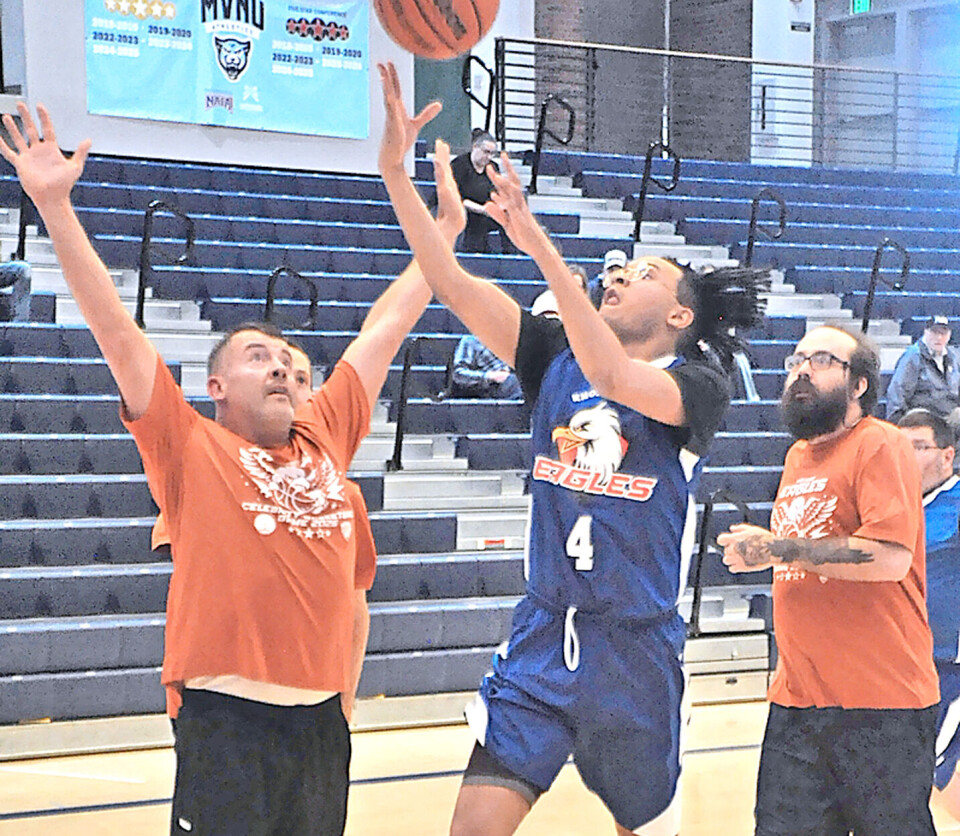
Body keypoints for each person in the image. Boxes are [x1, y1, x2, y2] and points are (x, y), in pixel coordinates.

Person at [0, 98, 464, 836]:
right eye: (259, 359)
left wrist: (440, 236)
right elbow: (115, 330)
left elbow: (384, 329)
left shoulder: (324, 439)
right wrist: (55, 207)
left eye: (291, 364)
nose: (281, 368)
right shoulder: (188, 443)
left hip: (320, 727)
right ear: (216, 387)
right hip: (226, 721)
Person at [376, 61, 767, 836]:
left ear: (682, 316)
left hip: (637, 655)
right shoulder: (550, 355)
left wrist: (539, 245)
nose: (619, 273)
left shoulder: (699, 385)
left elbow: (614, 374)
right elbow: (447, 281)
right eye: (616, 268)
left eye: (642, 272)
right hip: (544, 634)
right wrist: (394, 174)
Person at [718, 325, 940, 835]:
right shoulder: (797, 456)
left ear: (858, 383)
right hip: (797, 703)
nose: (800, 370)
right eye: (796, 358)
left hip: (881, 706)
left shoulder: (879, 443)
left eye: (820, 360)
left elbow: (887, 558)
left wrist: (777, 547)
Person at [897, 408, 960, 823]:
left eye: (919, 447)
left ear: (947, 455)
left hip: (949, 667)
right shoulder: (891, 506)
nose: (907, 456)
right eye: (900, 447)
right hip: (904, 668)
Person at [447, 128, 514, 254]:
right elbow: (455, 199)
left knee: (509, 216)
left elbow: (495, 193)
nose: (488, 157)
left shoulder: (492, 167)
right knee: (474, 220)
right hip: (463, 209)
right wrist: (481, 209)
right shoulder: (458, 165)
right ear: (475, 147)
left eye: (492, 154)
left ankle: (511, 255)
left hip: (484, 210)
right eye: (486, 152)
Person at [886, 315, 960, 424]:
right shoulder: (912, 357)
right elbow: (898, 392)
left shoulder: (953, 357)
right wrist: (897, 422)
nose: (939, 337)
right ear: (926, 332)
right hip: (923, 416)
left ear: (949, 335)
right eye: (935, 332)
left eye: (943, 333)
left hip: (948, 414)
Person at [451, 332, 522, 399]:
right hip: (488, 388)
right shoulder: (471, 341)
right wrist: (489, 376)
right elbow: (458, 374)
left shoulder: (512, 340)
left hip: (513, 384)